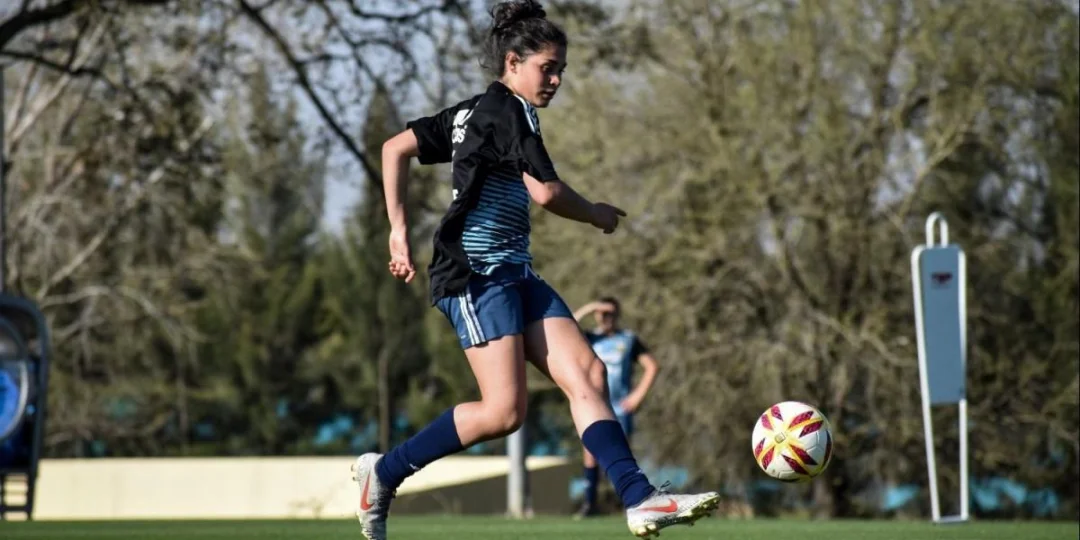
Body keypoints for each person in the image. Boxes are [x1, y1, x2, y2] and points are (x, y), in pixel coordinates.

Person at [350, 2, 719, 538]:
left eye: (561, 69)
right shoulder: (510, 112)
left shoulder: (472, 113)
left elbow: (394, 148)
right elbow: (546, 192)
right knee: (504, 412)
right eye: (548, 68)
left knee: (589, 374)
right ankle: (383, 473)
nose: (556, 79)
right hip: (475, 276)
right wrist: (594, 213)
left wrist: (399, 227)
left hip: (514, 273)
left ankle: (639, 498)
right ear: (513, 62)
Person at [573, 297, 660, 518]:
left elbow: (651, 366)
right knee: (590, 452)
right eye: (601, 313)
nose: (605, 317)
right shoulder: (589, 338)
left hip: (620, 406)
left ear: (617, 314)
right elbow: (567, 327)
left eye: (609, 313)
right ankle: (589, 504)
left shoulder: (628, 340)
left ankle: (629, 503)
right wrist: (589, 307)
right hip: (595, 402)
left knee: (621, 453)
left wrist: (637, 396)